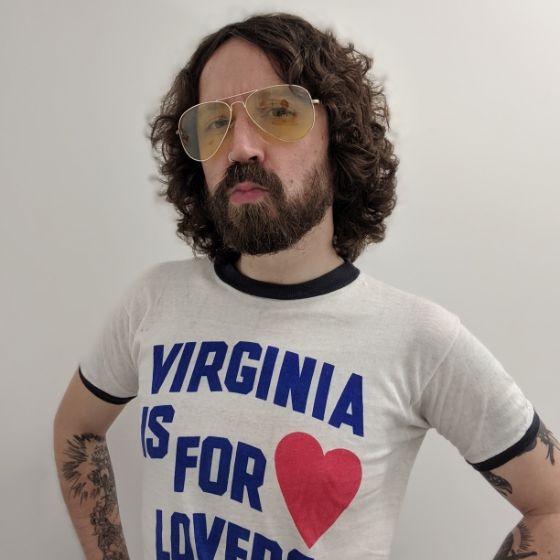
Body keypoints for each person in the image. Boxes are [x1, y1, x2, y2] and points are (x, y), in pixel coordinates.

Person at [53, 12, 560, 560]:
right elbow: (77, 429)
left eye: (278, 111)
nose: (240, 148)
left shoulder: (420, 340)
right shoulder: (153, 301)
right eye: (214, 124)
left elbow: (551, 504)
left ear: (337, 135)